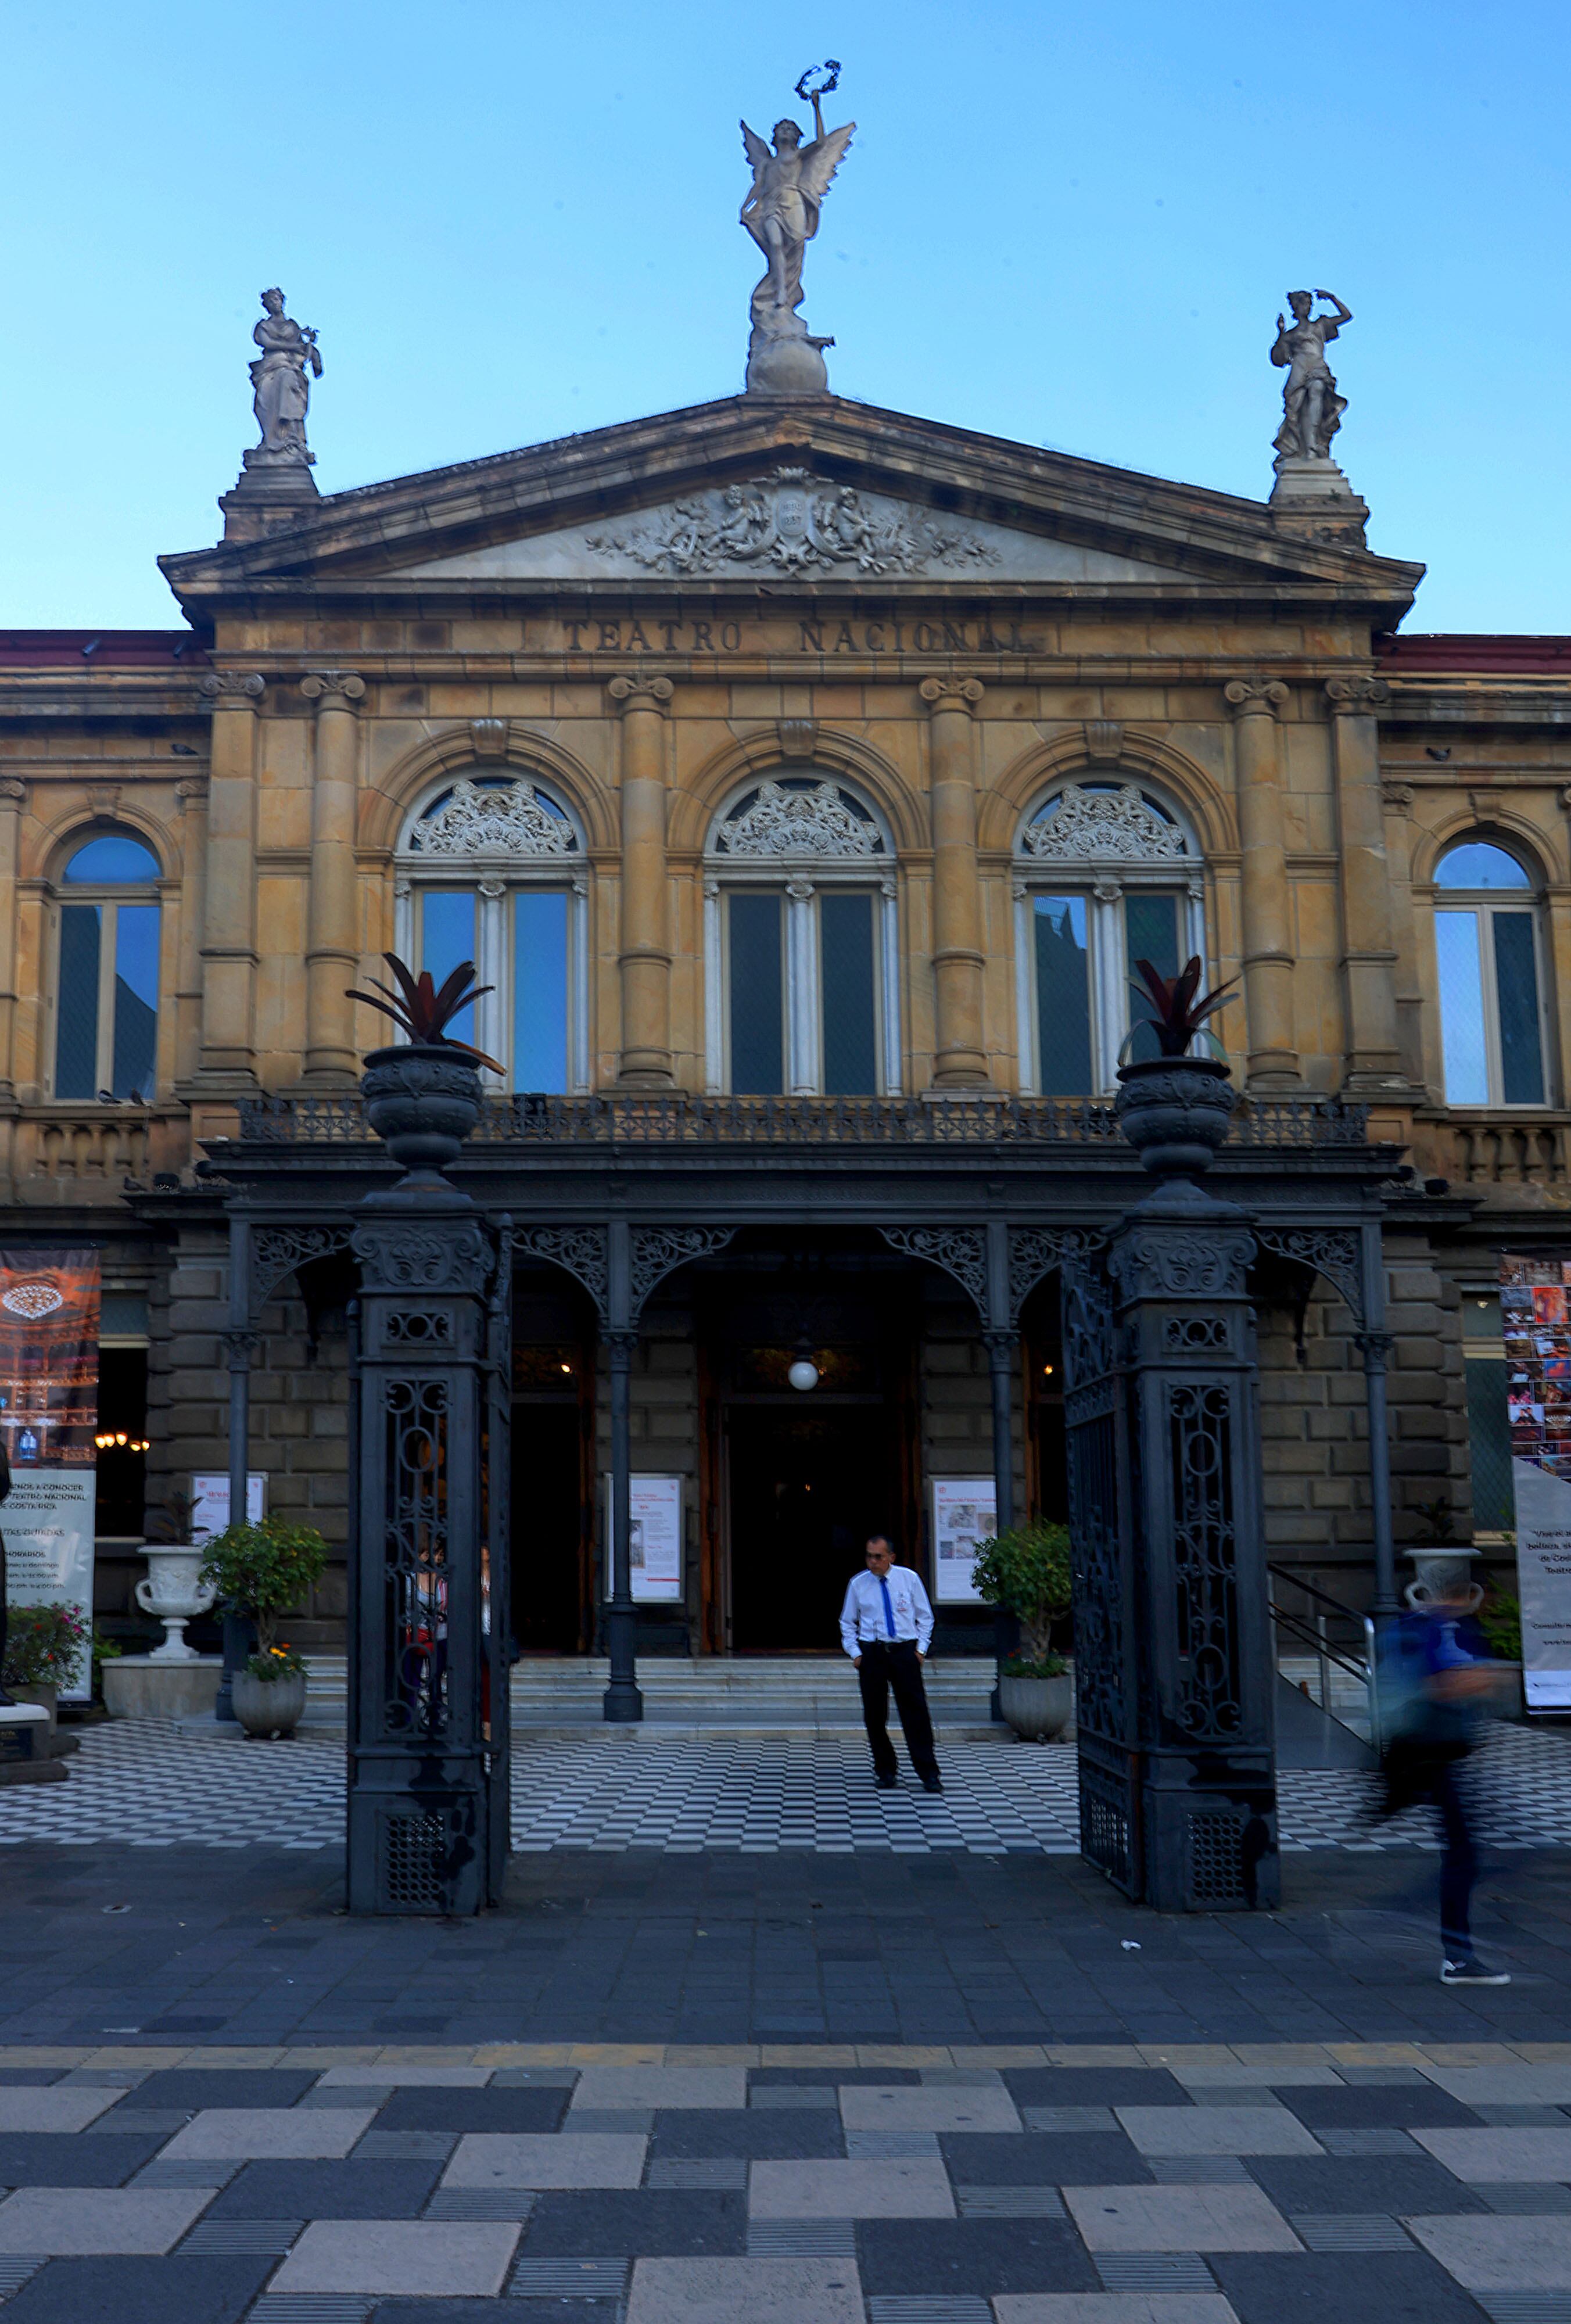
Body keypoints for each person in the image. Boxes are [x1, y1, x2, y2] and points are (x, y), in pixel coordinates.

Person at [1376, 1556, 1509, 1985]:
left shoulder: (1434, 1627)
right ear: (1467, 1594)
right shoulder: (1440, 1629)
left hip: (1435, 1754)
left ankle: (1444, 1939)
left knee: (1464, 1851)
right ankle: (1455, 1954)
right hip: (1432, 1754)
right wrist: (1482, 1679)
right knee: (1464, 1853)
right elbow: (1443, 1685)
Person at [839, 1534, 942, 1792]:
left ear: (891, 1558)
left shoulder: (909, 1579)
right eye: (869, 1556)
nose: (873, 1562)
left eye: (878, 1557)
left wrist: (920, 1650)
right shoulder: (858, 1584)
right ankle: (885, 1769)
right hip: (872, 1652)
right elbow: (847, 1621)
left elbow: (925, 1617)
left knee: (915, 1713)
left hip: (903, 1651)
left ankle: (928, 1772)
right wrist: (856, 1654)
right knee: (875, 1715)